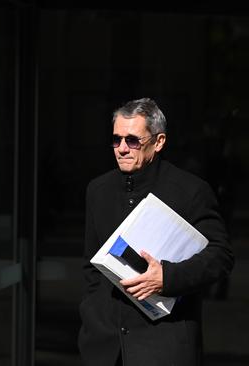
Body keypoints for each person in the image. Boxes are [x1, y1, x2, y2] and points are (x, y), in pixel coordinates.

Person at [78, 97, 234, 366]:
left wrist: (168, 277)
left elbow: (221, 257)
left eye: (133, 140)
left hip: (165, 345)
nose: (122, 149)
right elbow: (91, 266)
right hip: (105, 346)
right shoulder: (98, 190)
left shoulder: (190, 191)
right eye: (116, 140)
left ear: (159, 142)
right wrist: (93, 316)